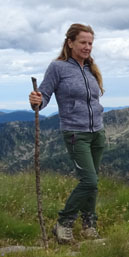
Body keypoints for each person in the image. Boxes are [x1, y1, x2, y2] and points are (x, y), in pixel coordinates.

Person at [29, 23, 106, 244]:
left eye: (90, 43)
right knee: (88, 181)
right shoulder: (58, 68)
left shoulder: (91, 69)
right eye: (83, 42)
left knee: (93, 181)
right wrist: (37, 101)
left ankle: (89, 224)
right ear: (70, 43)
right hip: (75, 133)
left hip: (96, 133)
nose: (87, 47)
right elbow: (43, 96)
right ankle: (64, 223)